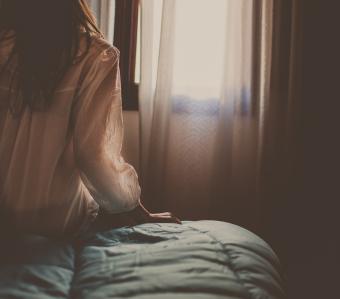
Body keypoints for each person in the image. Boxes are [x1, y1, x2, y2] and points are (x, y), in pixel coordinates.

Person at [0, 0, 180, 238]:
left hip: (5, 219)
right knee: (97, 205)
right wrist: (134, 209)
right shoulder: (96, 56)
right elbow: (93, 156)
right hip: (56, 219)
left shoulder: (5, 45)